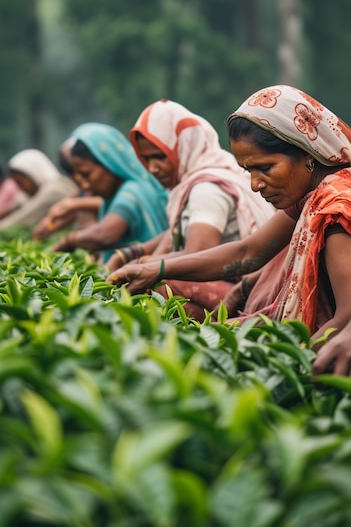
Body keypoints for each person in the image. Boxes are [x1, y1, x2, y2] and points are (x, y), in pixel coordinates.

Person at [108, 85, 351, 353]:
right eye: (248, 170)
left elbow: (346, 320)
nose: (255, 185)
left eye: (265, 168)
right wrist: (155, 268)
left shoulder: (335, 207)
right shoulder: (311, 196)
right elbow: (249, 251)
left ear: (307, 154)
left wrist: (293, 360)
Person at [106, 98, 275, 319]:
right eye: (146, 159)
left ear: (184, 146)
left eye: (159, 156)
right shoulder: (201, 178)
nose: (152, 168)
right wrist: (132, 256)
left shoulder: (207, 189)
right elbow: (177, 230)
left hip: (247, 289)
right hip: (242, 285)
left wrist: (143, 265)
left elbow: (196, 252)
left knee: (160, 287)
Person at [51, 122, 169, 263]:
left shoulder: (132, 192)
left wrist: (69, 240)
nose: (84, 185)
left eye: (86, 175)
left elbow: (105, 235)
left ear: (109, 163)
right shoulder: (120, 193)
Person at [33, 137, 101, 240]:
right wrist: (50, 225)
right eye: (73, 172)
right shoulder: (82, 192)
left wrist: (74, 204)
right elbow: (65, 212)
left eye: (84, 172)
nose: (78, 178)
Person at [0, 149, 76, 231]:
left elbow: (25, 217)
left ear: (33, 174)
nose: (20, 188)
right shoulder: (36, 189)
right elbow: (14, 205)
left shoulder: (54, 190)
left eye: (20, 182)